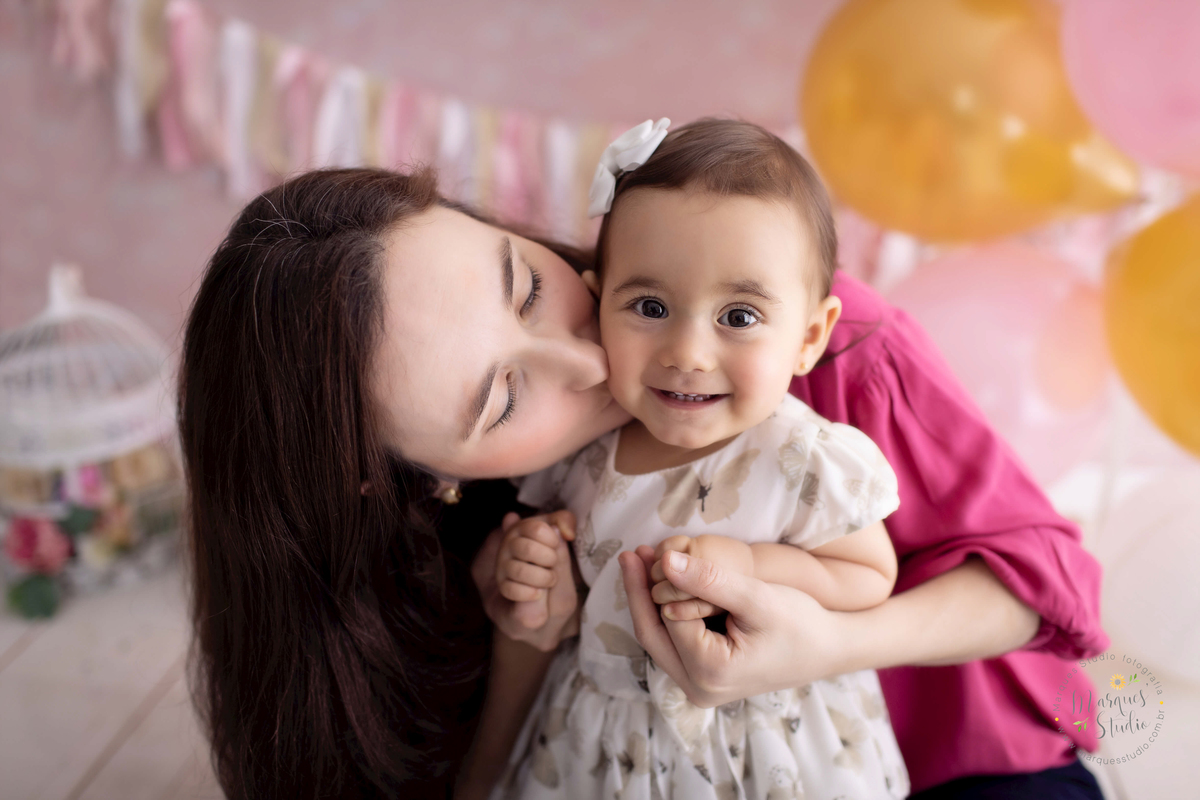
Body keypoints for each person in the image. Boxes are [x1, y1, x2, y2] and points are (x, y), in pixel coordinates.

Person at [178, 156, 1106, 799]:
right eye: (502, 400)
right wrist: (523, 638)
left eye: (529, 287)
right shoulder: (509, 532)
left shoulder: (782, 337)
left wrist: (824, 642)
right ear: (417, 482)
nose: (585, 358)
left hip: (962, 760)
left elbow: (1048, 584)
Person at [491, 118, 910, 799]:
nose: (687, 352)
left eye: (738, 317)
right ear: (598, 308)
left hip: (770, 750)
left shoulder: (799, 457)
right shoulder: (582, 452)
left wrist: (755, 566)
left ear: (808, 338)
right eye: (650, 306)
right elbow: (578, 606)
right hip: (606, 752)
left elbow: (868, 576)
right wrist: (543, 571)